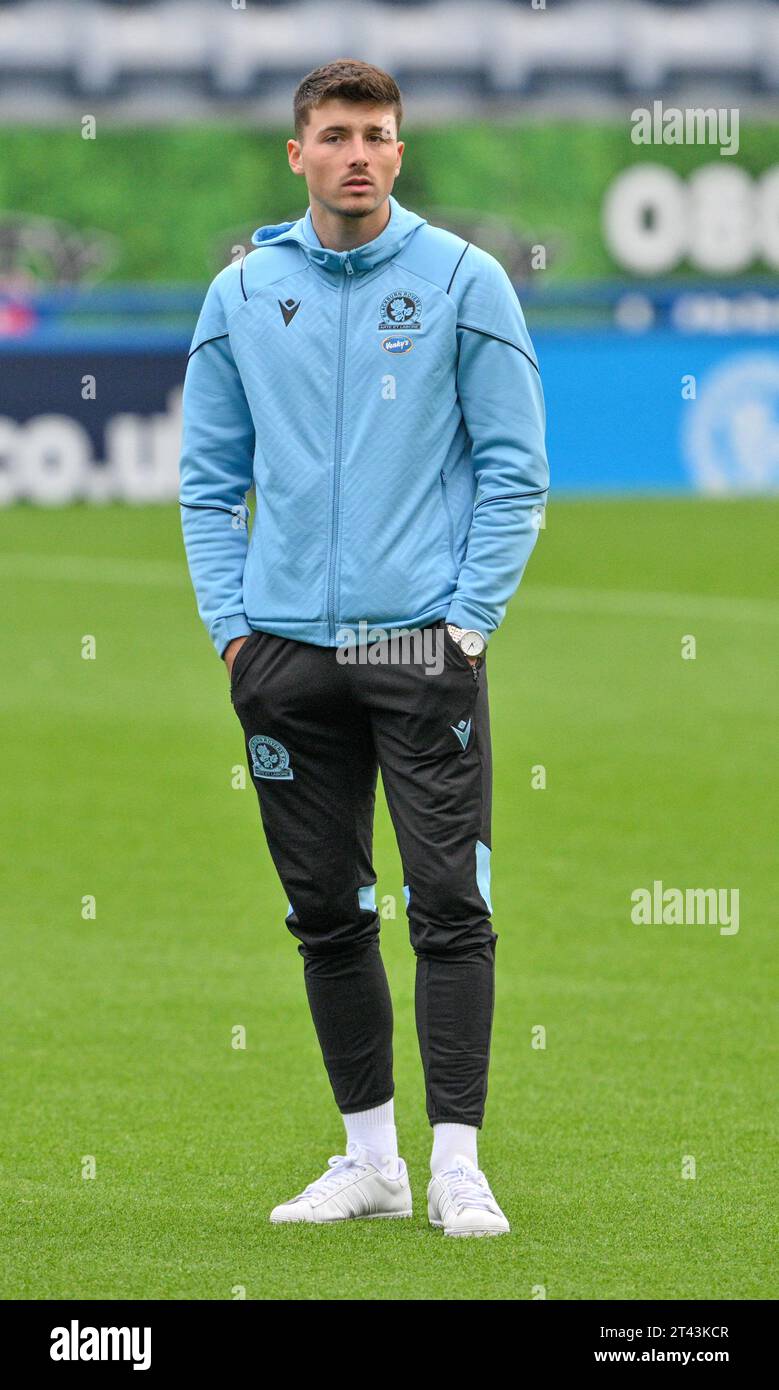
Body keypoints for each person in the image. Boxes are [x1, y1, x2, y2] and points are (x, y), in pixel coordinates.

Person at [179, 58, 548, 1237]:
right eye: (333, 133)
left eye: (375, 134)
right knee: (326, 913)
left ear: (399, 152)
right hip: (283, 655)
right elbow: (205, 482)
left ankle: (456, 1163)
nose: (355, 152)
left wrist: (469, 622)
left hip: (418, 649)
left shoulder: (464, 280)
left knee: (448, 904)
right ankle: (369, 1158)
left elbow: (514, 469)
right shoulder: (240, 292)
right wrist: (233, 633)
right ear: (296, 153)